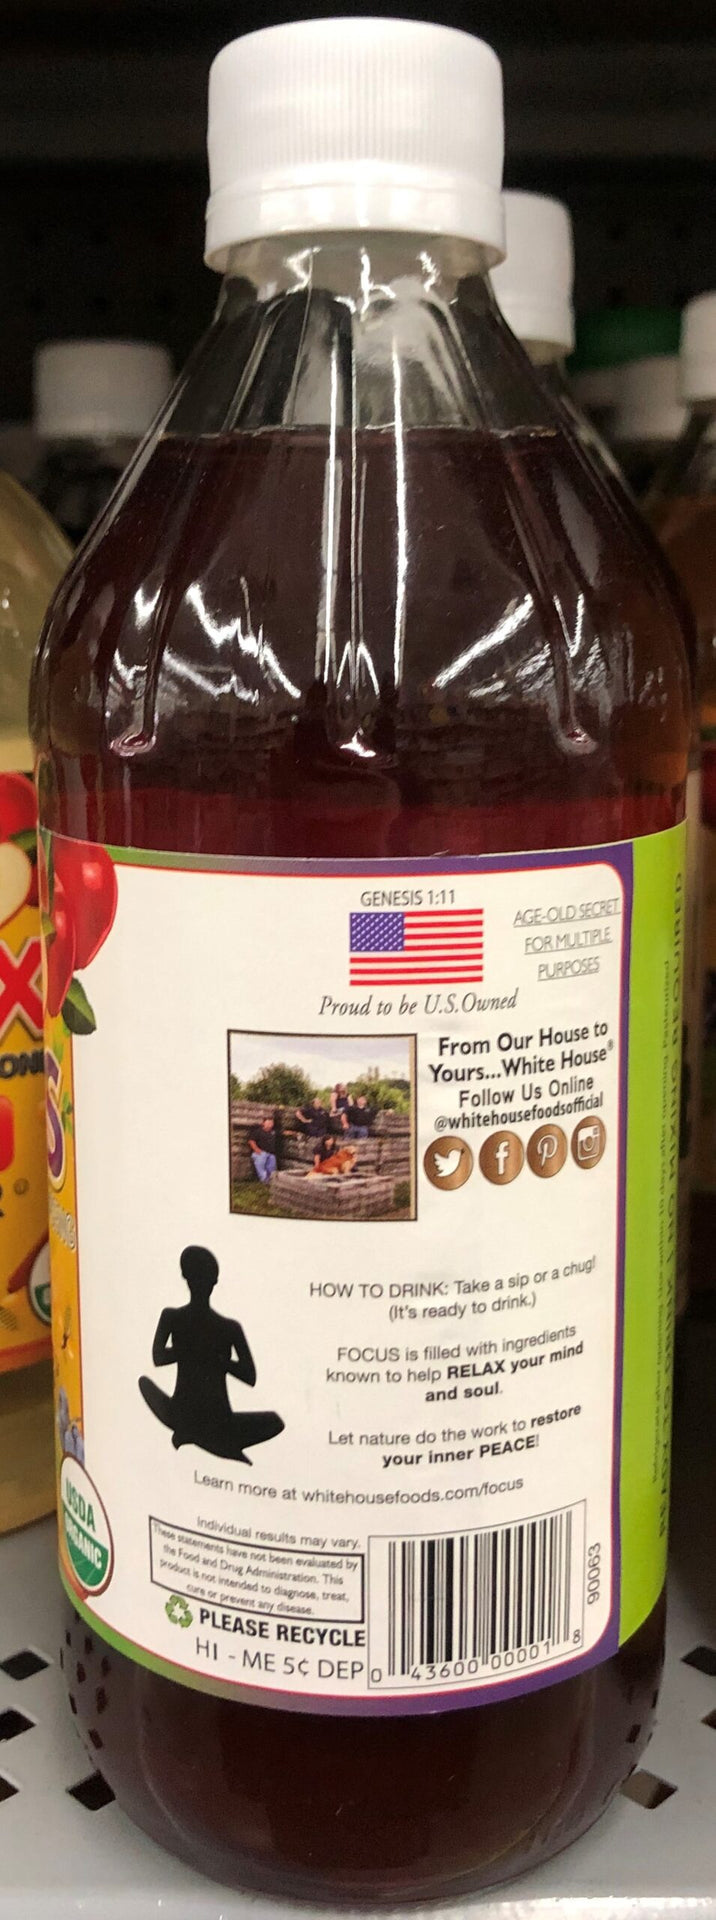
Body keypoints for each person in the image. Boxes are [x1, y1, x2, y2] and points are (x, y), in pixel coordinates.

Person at [139, 1245, 284, 1463]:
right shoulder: (172, 1317)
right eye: (196, 1278)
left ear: (214, 1282)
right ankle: (207, 1438)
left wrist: (219, 1360)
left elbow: (250, 1376)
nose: (200, 1285)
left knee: (275, 1421)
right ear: (187, 1278)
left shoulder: (229, 1327)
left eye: (203, 1279)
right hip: (183, 1409)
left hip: (217, 1417)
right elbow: (158, 1358)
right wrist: (192, 1351)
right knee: (144, 1384)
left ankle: (196, 1434)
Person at [248, 1114, 278, 1183]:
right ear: (263, 1123)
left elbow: (284, 1132)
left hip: (271, 1154)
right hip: (261, 1153)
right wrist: (257, 1150)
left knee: (272, 1169)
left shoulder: (273, 1132)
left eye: (271, 1123)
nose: (270, 1124)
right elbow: (251, 1141)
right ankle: (264, 1180)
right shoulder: (258, 1131)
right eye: (268, 1123)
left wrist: (294, 1133)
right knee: (261, 1167)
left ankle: (271, 1182)